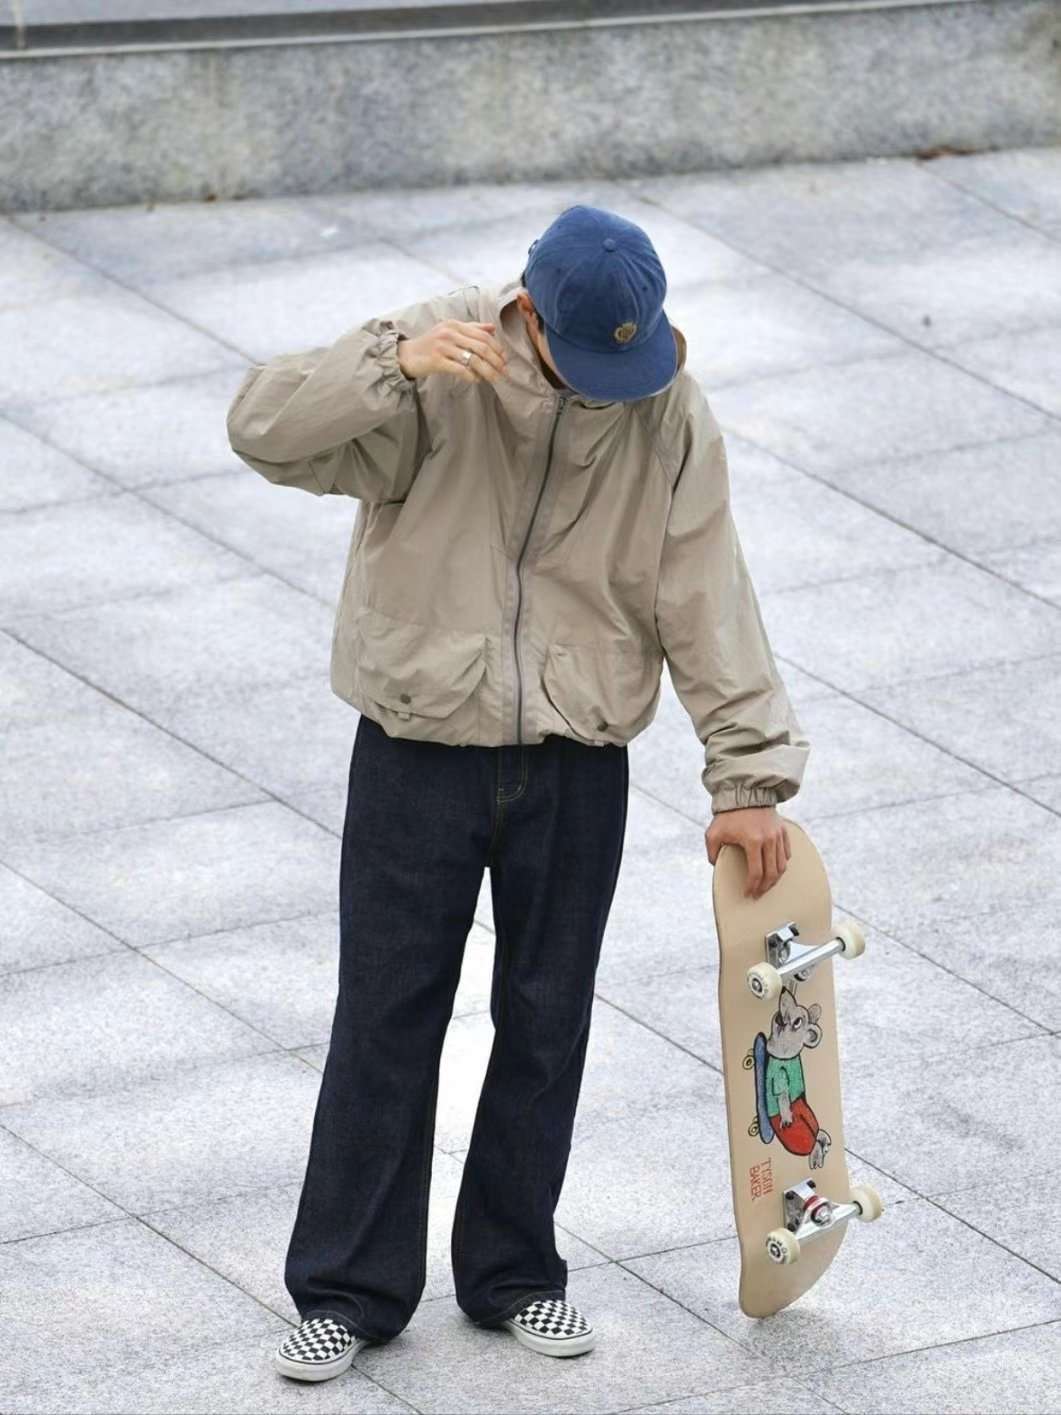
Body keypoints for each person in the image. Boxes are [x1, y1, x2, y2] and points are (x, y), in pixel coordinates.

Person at [226, 203, 810, 1382]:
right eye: (582, 361)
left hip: (575, 753)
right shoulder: (435, 360)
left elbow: (703, 583)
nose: (606, 389)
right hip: (416, 746)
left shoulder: (663, 405)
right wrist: (388, 365)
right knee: (385, 1014)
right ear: (528, 313)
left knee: (547, 1018)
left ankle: (513, 1271)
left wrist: (746, 774)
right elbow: (263, 432)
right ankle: (347, 1288)